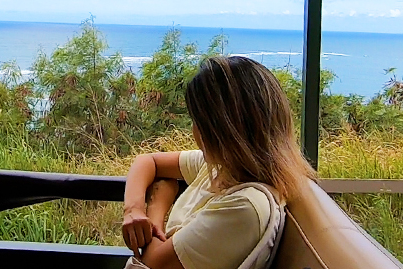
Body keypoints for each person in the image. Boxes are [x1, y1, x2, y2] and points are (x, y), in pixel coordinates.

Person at [122, 56, 316, 269]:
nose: (193, 130)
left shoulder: (246, 207)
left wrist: (158, 205)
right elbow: (148, 161)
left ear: (218, 130)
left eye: (197, 121)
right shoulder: (225, 168)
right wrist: (133, 210)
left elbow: (154, 263)